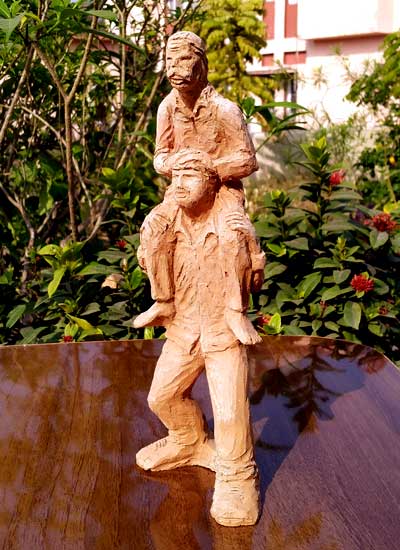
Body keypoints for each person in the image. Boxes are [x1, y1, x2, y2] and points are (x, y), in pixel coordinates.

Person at [136, 150, 259, 527]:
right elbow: (146, 260)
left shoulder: (229, 223)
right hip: (185, 330)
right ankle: (188, 439)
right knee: (161, 397)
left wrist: (251, 245)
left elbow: (255, 281)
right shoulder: (168, 221)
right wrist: (149, 236)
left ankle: (238, 478)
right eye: (175, 177)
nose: (179, 185)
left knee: (230, 415)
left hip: (223, 333)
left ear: (211, 183)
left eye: (188, 176)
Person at [134, 30, 265, 345]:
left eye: (183, 60)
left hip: (222, 193)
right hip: (181, 189)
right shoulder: (167, 108)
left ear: (201, 63)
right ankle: (164, 301)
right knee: (154, 227)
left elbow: (248, 160)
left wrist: (209, 170)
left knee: (233, 234)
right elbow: (159, 156)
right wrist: (175, 165)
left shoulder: (225, 109)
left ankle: (235, 310)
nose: (173, 69)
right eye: (169, 61)